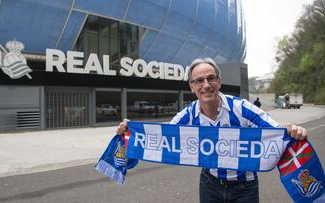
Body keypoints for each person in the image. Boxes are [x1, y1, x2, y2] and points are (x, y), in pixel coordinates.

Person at [116, 58, 308, 203]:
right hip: (210, 184)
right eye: (199, 81)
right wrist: (130, 130)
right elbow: (160, 135)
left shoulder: (242, 108)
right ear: (192, 87)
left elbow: (275, 131)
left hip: (245, 187)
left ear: (219, 82)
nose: (206, 85)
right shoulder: (189, 114)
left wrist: (292, 130)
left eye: (211, 78)